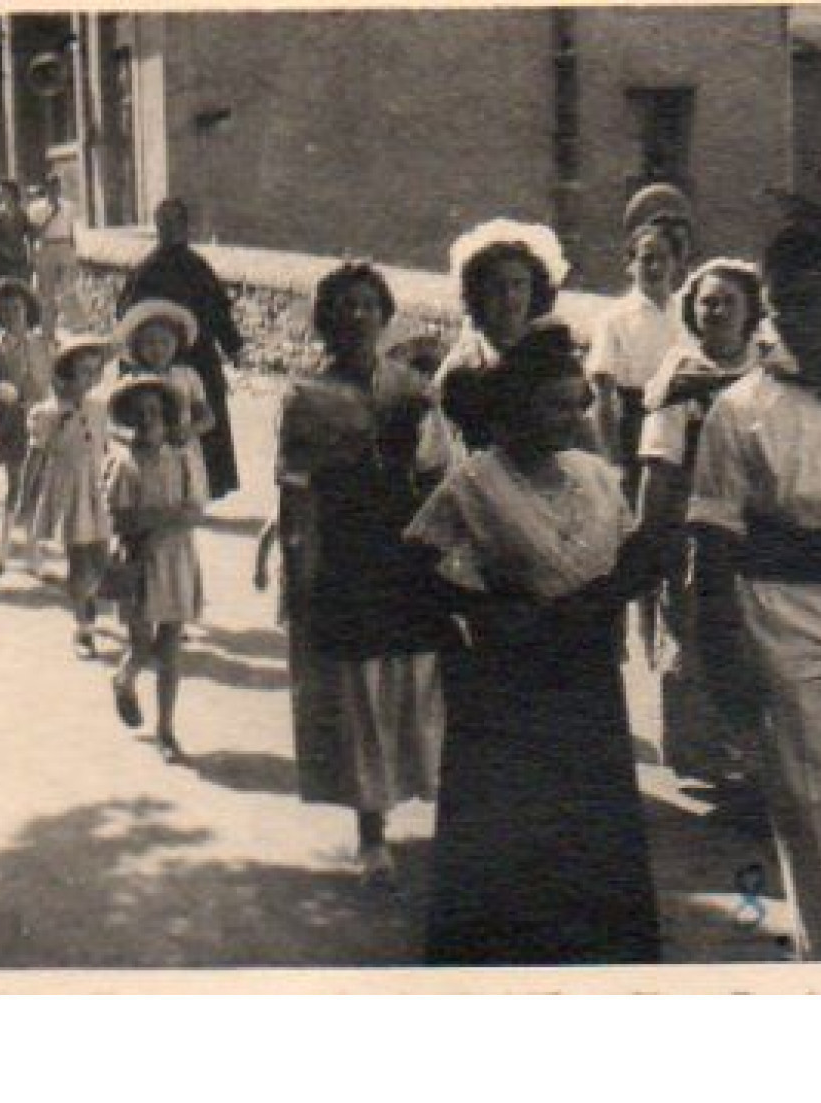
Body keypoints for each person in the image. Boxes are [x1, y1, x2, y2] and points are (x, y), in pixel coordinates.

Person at [405, 321, 663, 965]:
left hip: (587, 676)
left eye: (578, 403)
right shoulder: (476, 480)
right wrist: (476, 619)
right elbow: (414, 564)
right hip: (508, 682)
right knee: (511, 826)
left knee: (589, 824)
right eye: (554, 403)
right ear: (517, 404)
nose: (572, 417)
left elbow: (630, 551)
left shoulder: (597, 475)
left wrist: (609, 597)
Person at [687, 210, 821, 961]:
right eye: (778, 302)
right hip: (779, 608)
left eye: (807, 300)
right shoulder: (740, 409)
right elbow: (711, 533)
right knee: (803, 791)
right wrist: (718, 639)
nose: (789, 319)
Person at [279, 262, 451, 879]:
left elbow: (440, 479)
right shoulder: (306, 398)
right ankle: (370, 831)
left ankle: (432, 809)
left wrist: (445, 556)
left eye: (367, 305)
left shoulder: (414, 390)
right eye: (344, 307)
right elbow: (295, 493)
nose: (356, 317)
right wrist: (298, 570)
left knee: (418, 678)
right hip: (345, 554)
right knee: (359, 691)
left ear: (383, 315)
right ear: (326, 321)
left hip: (407, 552)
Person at [636, 259, 767, 783]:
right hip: (695, 516)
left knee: (753, 628)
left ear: (750, 311)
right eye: (706, 302)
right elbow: (658, 457)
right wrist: (650, 533)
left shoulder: (773, 367)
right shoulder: (681, 374)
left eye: (727, 302)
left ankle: (752, 746)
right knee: (689, 623)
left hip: (762, 517)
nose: (714, 312)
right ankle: (698, 749)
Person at [105, 374, 209, 765]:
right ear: (128, 420)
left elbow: (196, 508)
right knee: (140, 644)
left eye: (156, 412)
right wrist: (165, 517)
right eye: (139, 414)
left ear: (168, 418)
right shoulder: (122, 463)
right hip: (137, 559)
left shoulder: (183, 457)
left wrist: (154, 518)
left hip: (177, 558)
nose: (148, 421)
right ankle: (124, 678)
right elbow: (120, 518)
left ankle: (166, 729)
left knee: (170, 647)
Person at [117, 198, 244, 499]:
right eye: (163, 224)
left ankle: (202, 486)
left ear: (186, 228)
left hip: (198, 357)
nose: (168, 231)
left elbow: (218, 311)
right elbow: (128, 317)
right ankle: (160, 487)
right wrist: (130, 364)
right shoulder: (145, 272)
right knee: (159, 420)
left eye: (174, 224)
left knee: (202, 418)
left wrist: (233, 346)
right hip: (155, 359)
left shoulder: (199, 268)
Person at [421, 218, 569, 475]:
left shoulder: (547, 352)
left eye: (519, 285)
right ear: (478, 294)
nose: (510, 298)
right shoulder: (463, 364)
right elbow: (440, 449)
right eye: (497, 287)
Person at [21, 336, 116, 658]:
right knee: (79, 561)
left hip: (97, 491)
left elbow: (107, 449)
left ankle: (126, 617)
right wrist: (24, 499)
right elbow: (35, 458)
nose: (89, 379)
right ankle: (83, 628)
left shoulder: (101, 407)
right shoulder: (47, 412)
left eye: (94, 372)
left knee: (104, 558)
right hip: (69, 491)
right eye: (82, 372)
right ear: (64, 374)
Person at [586, 219, 688, 499]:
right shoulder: (614, 318)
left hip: (687, 426)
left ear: (676, 263)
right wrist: (613, 460)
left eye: (663, 259)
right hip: (636, 428)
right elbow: (603, 397)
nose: (655, 267)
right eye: (646, 259)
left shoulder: (688, 315)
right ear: (631, 265)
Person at [0, 278, 56, 587]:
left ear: (27, 310)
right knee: (16, 487)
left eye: (17, 309)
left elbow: (56, 377)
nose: (12, 315)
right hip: (11, 423)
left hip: (42, 421)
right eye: (5, 310)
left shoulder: (42, 343)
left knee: (37, 488)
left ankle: (34, 553)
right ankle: (0, 553)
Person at [113, 299, 215, 471]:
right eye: (150, 342)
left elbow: (208, 418)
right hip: (142, 457)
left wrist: (189, 430)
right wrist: (134, 436)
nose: (158, 349)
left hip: (182, 455)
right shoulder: (132, 379)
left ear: (177, 343)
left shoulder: (188, 376)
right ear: (136, 346)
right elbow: (115, 422)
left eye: (165, 342)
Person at [28, 173, 81, 340]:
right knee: (46, 293)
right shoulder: (36, 207)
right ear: (46, 188)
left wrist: (74, 250)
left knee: (68, 291)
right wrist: (51, 214)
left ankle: (75, 330)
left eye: (56, 186)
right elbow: (35, 232)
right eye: (50, 186)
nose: (54, 189)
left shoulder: (69, 206)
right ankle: (48, 332)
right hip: (47, 247)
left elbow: (71, 230)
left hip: (65, 247)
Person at [0, 178, 33, 285]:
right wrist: (4, 250)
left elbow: (29, 234)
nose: (2, 195)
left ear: (13, 193)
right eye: (1, 192)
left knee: (22, 286)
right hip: (2, 259)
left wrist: (29, 254)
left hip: (20, 257)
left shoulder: (21, 213)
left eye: (5, 192)